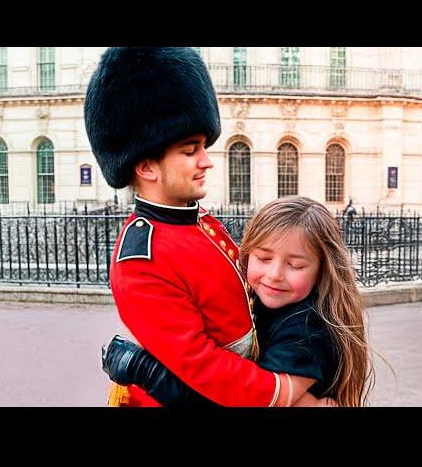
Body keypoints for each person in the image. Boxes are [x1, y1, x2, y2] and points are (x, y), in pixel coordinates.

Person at [84, 47, 329, 407]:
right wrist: (289, 396)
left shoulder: (198, 220)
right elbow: (204, 369)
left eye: (203, 146)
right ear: (148, 167)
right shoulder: (140, 259)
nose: (206, 161)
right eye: (189, 150)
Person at [103, 196, 372, 407]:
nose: (275, 275)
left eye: (295, 265)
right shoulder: (261, 299)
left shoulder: (307, 330)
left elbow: (236, 400)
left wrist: (142, 368)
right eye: (264, 259)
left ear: (322, 271)